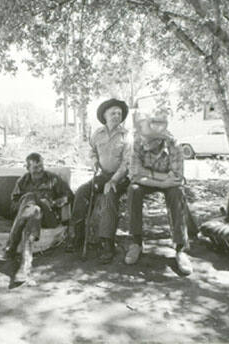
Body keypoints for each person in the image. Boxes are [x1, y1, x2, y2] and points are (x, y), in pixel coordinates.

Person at [125, 111, 198, 275]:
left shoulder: (175, 145)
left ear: (159, 140)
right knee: (133, 190)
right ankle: (135, 243)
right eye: (142, 137)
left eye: (148, 140)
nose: (143, 142)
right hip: (150, 182)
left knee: (177, 192)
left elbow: (177, 178)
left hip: (170, 183)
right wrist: (162, 180)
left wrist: (158, 179)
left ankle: (180, 248)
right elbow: (135, 175)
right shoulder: (137, 142)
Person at [67, 98, 131, 264]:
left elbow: (126, 163)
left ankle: (107, 243)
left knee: (109, 195)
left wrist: (115, 180)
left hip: (121, 177)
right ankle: (77, 235)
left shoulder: (127, 136)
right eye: (113, 113)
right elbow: (92, 151)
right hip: (102, 175)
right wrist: (94, 161)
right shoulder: (97, 134)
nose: (117, 115)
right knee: (81, 192)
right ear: (105, 115)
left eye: (119, 113)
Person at [0, 152, 74, 283]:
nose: (40, 170)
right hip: (33, 218)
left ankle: (10, 247)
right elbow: (13, 206)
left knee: (31, 197)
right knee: (34, 211)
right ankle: (25, 266)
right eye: (36, 167)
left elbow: (70, 196)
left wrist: (53, 203)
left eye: (41, 166)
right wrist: (31, 206)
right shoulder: (22, 182)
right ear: (28, 168)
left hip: (50, 217)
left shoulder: (53, 179)